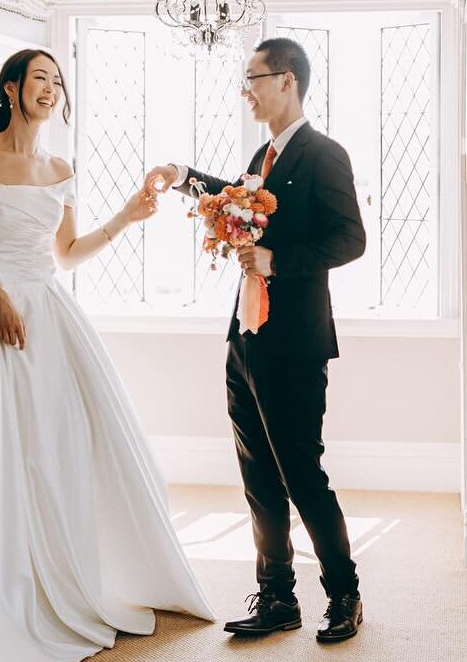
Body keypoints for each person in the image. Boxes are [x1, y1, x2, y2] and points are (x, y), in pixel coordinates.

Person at [0, 48, 214, 662]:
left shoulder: (59, 167)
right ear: (10, 90)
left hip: (49, 318)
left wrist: (128, 218)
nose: (51, 89)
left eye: (57, 80)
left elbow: (67, 253)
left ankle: (46, 579)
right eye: (39, 79)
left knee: (56, 451)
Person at [146, 36, 366, 643]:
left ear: (287, 80)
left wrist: (275, 259)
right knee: (257, 478)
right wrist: (185, 176)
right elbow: (230, 199)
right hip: (245, 338)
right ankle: (277, 598)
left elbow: (351, 239)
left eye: (254, 78)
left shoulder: (324, 155)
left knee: (301, 474)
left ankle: (344, 594)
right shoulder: (264, 157)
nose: (247, 90)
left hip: (295, 341)